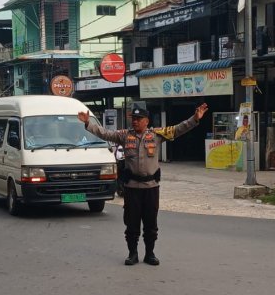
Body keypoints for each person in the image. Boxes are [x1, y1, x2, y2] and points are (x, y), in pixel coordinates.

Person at [77, 102, 209, 266]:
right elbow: (105, 133)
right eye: (134, 118)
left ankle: (150, 253)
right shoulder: (124, 135)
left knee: (151, 223)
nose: (135, 121)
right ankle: (132, 254)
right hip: (132, 188)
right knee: (131, 224)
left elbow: (178, 129)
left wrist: (195, 119)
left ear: (147, 120)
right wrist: (88, 123)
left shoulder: (156, 135)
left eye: (139, 119)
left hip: (151, 188)